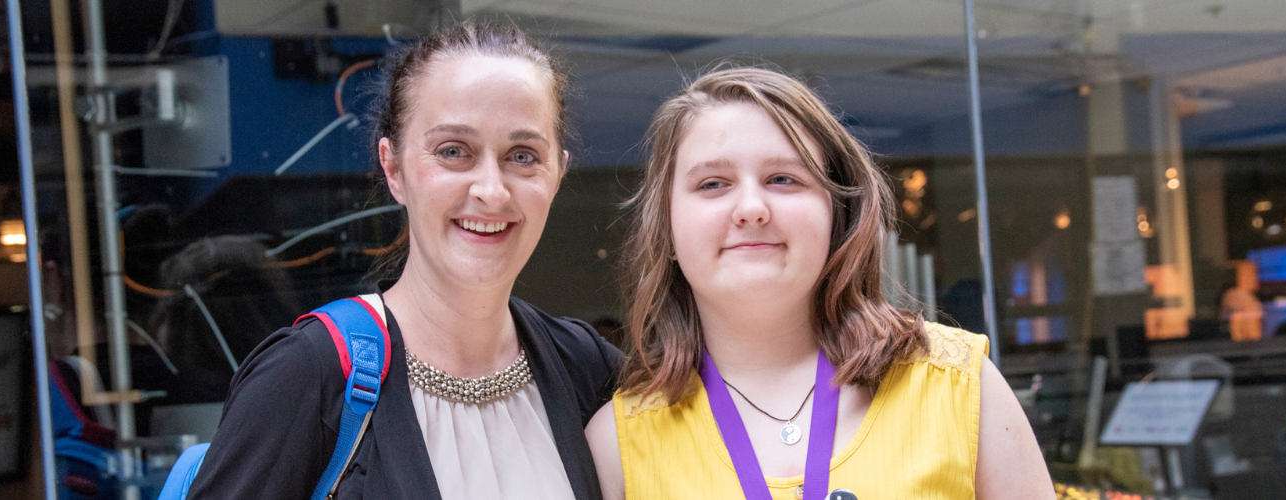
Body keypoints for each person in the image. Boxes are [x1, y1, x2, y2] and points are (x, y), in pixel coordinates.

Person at [189, 20, 622, 500]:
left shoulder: (588, 368)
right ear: (393, 169)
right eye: (453, 151)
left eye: (522, 156)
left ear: (557, 174)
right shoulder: (307, 377)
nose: (491, 191)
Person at [585, 66, 1052, 499]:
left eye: (784, 178)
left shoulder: (958, 386)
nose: (751, 207)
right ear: (666, 228)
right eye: (712, 184)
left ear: (837, 216)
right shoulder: (617, 446)